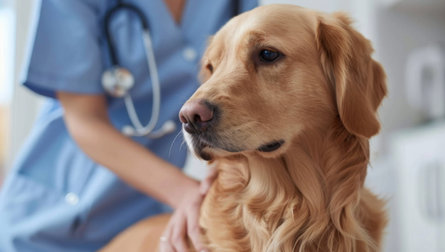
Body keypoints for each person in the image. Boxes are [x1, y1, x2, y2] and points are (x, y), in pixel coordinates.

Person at [0, 0, 257, 251]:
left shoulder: (235, 4)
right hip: (52, 220)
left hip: (150, 214)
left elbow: (242, 109)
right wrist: (188, 194)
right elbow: (84, 120)